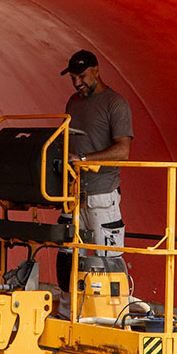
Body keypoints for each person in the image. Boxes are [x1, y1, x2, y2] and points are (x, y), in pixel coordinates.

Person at [56, 49, 133, 284]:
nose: (77, 83)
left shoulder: (115, 104)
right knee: (67, 258)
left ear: (97, 72)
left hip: (101, 194)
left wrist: (84, 159)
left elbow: (123, 151)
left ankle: (111, 313)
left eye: (82, 77)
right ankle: (68, 310)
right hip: (72, 194)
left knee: (106, 261)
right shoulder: (73, 102)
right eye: (73, 78)